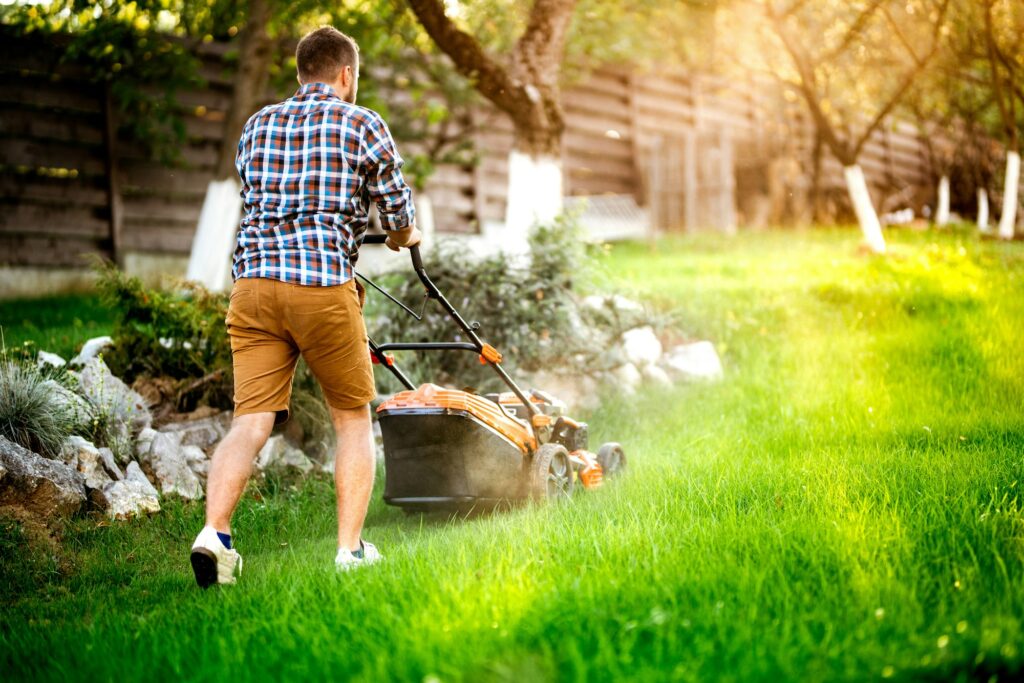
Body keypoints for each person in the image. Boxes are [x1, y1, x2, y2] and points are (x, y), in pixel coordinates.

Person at [189, 26, 421, 587]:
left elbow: (258, 195)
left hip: (253, 288)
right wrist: (404, 238)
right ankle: (350, 551)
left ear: (300, 73)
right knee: (351, 420)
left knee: (250, 421)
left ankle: (214, 535)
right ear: (346, 74)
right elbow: (395, 210)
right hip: (320, 288)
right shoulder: (360, 121)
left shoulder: (258, 125)